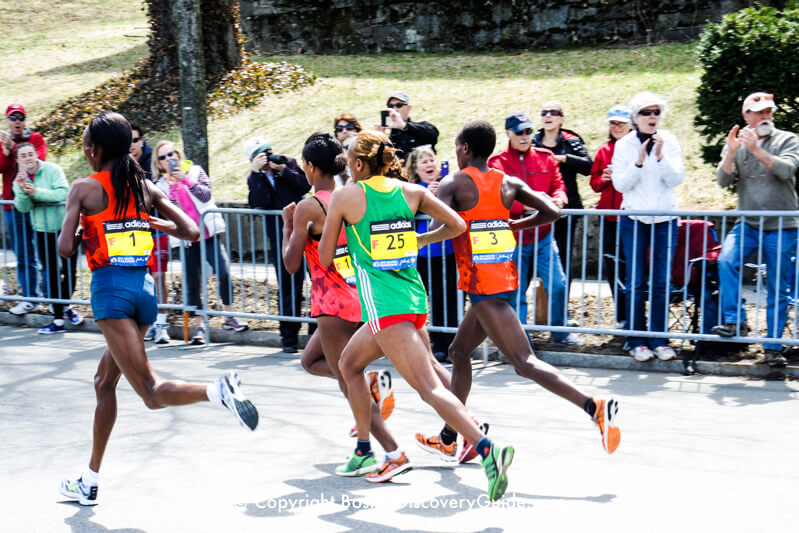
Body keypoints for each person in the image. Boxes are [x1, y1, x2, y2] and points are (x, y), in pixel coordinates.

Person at [56, 111, 258, 506]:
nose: (85, 152)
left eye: (85, 147)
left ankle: (216, 391)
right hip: (145, 296)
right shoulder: (144, 186)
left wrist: (84, 228)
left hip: (111, 295)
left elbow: (65, 249)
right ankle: (89, 479)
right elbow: (192, 230)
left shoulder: (84, 188)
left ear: (95, 150)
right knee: (103, 383)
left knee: (149, 392)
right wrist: (155, 224)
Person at [319, 131, 514, 501]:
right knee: (348, 364)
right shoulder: (410, 192)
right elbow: (457, 225)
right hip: (412, 296)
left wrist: (350, 235)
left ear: (360, 164)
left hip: (384, 304)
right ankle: (365, 450)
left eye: (348, 159)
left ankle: (488, 448)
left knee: (429, 388)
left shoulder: (347, 196)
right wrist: (419, 240)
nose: (346, 166)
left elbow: (327, 257)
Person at [418, 120, 620, 467]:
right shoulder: (507, 181)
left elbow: (443, 227)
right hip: (502, 279)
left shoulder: (454, 183)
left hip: (483, 287)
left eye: (455, 146)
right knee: (459, 351)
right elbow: (553, 210)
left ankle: (593, 407)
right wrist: (515, 224)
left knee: (524, 362)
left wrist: (416, 240)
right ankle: (451, 436)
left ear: (464, 148)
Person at [281, 132, 408, 482]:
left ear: (309, 167)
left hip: (331, 302)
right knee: (310, 361)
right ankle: (371, 387)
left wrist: (286, 225)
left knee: (344, 377)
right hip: (358, 294)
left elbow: (291, 264)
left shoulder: (309, 206)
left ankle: (389, 452)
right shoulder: (347, 197)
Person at [712, 92, 799, 367]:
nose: (765, 117)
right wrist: (732, 153)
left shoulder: (788, 139)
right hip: (748, 224)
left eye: (769, 112)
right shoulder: (738, 142)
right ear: (746, 116)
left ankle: (773, 347)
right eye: (759, 112)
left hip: (783, 225)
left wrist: (758, 151)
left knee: (778, 286)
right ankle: (735, 321)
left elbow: (787, 170)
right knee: (726, 260)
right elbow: (723, 181)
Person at [488, 113, 581, 346]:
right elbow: (496, 196)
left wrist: (559, 199)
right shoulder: (497, 163)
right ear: (508, 133)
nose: (525, 136)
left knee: (558, 284)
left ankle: (560, 333)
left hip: (544, 236)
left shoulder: (546, 157)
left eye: (528, 131)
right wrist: (527, 205)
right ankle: (520, 339)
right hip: (515, 238)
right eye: (519, 132)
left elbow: (559, 185)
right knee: (516, 292)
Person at [611, 91, 684, 362]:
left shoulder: (670, 140)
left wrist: (661, 156)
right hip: (634, 219)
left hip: (665, 219)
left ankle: (659, 338)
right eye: (646, 112)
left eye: (656, 112)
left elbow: (676, 178)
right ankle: (636, 339)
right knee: (636, 283)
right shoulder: (625, 145)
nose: (652, 117)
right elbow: (621, 185)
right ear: (635, 117)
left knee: (662, 283)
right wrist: (640, 160)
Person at [152, 141, 248, 344]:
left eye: (171, 154)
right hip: (186, 238)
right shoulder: (160, 184)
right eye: (162, 157)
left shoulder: (195, 171)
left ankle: (229, 316)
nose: (168, 159)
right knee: (192, 283)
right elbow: (170, 210)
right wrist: (172, 188)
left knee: (223, 272)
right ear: (158, 163)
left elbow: (206, 195)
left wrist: (185, 180)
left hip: (208, 232)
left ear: (178, 154)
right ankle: (199, 327)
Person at [246, 136, 311, 353]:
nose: (267, 157)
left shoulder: (288, 163)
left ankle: (315, 329)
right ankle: (289, 335)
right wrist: (257, 174)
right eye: (261, 154)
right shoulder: (254, 177)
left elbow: (304, 185)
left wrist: (282, 169)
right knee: (288, 282)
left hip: (306, 231)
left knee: (316, 279)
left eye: (268, 151)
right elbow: (259, 202)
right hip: (280, 236)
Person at [12, 143, 83, 333]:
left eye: (30, 154)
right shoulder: (18, 179)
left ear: (36, 155)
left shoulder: (53, 170)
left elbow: (63, 192)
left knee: (69, 270)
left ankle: (65, 306)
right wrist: (22, 190)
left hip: (65, 228)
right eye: (23, 156)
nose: (27, 158)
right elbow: (23, 207)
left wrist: (37, 193)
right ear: (18, 160)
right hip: (43, 231)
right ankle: (58, 319)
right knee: (51, 272)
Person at [532, 101, 593, 311]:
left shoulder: (571, 140)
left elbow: (588, 166)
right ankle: (543, 312)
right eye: (544, 112)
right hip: (538, 210)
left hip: (566, 210)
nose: (548, 116)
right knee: (539, 261)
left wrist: (563, 158)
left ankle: (560, 311)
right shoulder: (532, 141)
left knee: (562, 262)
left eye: (554, 113)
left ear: (562, 118)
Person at [405, 145, 458, 361]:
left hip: (449, 250)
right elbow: (409, 211)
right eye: (423, 162)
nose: (429, 165)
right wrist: (428, 194)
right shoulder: (412, 189)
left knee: (450, 297)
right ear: (415, 169)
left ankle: (452, 343)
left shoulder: (447, 184)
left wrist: (442, 193)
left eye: (431, 160)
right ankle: (436, 342)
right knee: (432, 298)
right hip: (425, 253)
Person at [589, 105, 632, 328]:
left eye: (621, 123)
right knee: (612, 268)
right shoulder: (604, 150)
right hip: (608, 219)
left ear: (630, 125)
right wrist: (605, 178)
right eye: (613, 123)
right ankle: (621, 315)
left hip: (630, 218)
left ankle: (633, 314)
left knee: (630, 268)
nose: (617, 127)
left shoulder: (636, 148)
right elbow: (594, 184)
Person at [1, 104, 46, 314]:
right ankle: (29, 297)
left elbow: (37, 162)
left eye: (20, 117)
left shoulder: (35, 139)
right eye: (12, 117)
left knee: (46, 253)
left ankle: (53, 297)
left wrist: (15, 150)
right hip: (13, 206)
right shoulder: (3, 143)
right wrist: (8, 152)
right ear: (7, 120)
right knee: (23, 253)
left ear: (25, 119)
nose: (17, 121)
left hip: (36, 203)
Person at [377, 91, 439, 163]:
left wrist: (404, 126)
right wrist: (378, 139)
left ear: (408, 108)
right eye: (390, 106)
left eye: (399, 105)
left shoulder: (420, 129)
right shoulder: (389, 138)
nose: (395, 109)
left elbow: (433, 134)